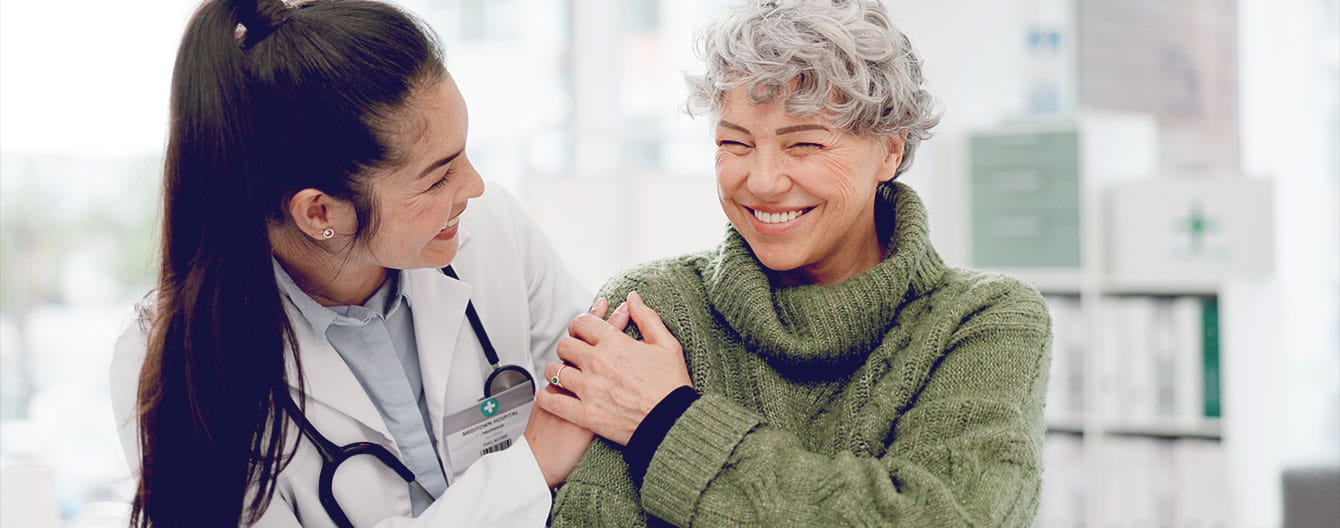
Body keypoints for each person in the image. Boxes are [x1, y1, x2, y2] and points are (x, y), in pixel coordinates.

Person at [538, 0, 1053, 526]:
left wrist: (667, 424)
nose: (762, 181)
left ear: (890, 151)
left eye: (804, 143)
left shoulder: (986, 320)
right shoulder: (654, 306)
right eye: (734, 143)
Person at [108, 0, 606, 525]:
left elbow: (600, 405)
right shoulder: (175, 360)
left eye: (463, 153)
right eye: (437, 178)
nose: (474, 187)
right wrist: (525, 472)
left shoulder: (492, 230)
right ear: (319, 211)